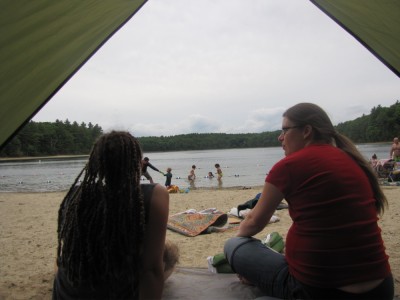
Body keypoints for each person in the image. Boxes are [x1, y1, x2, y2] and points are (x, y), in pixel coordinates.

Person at [224, 103, 393, 300]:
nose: (280, 137)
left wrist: (239, 241)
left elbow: (253, 222)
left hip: (318, 290)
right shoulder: (352, 160)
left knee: (233, 245)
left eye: (285, 130)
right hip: (381, 289)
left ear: (306, 131)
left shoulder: (288, 166)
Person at [53, 131, 178, 300]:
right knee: (169, 255)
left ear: (96, 163)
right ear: (136, 162)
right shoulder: (154, 194)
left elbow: (63, 254)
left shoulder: (76, 195)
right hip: (117, 292)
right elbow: (151, 269)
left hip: (67, 292)